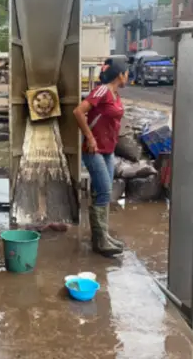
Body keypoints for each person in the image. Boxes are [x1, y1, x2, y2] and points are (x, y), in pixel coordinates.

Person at [73, 60, 129, 257]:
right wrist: (89, 137)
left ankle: (102, 236)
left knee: (101, 191)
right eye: (126, 73)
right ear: (120, 75)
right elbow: (78, 111)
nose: (128, 77)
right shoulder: (102, 91)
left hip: (108, 149)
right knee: (105, 191)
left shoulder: (115, 94)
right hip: (94, 149)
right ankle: (101, 240)